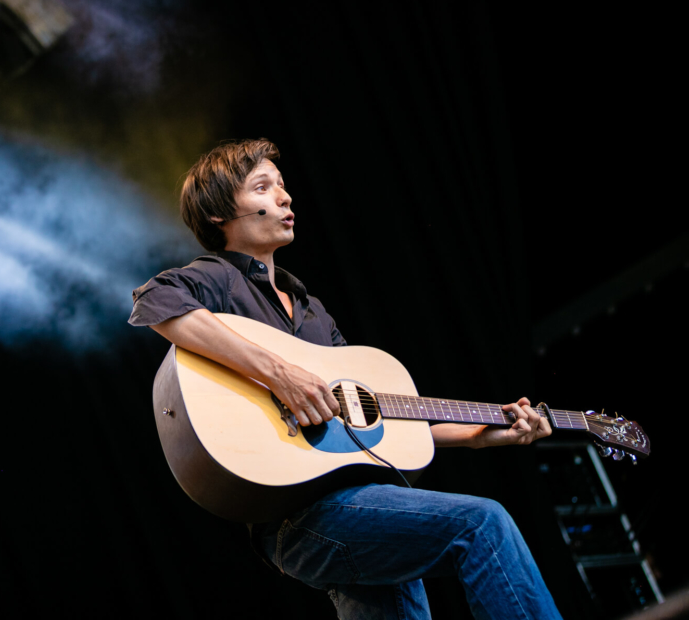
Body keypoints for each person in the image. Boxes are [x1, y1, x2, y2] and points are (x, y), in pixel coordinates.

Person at [128, 139, 561, 620]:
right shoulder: (215, 279)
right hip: (298, 518)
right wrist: (278, 373)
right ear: (217, 214)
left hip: (357, 502)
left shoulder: (313, 314)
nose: (285, 198)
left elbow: (371, 421)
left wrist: (482, 435)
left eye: (283, 186)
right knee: (483, 525)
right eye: (263, 187)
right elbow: (158, 303)